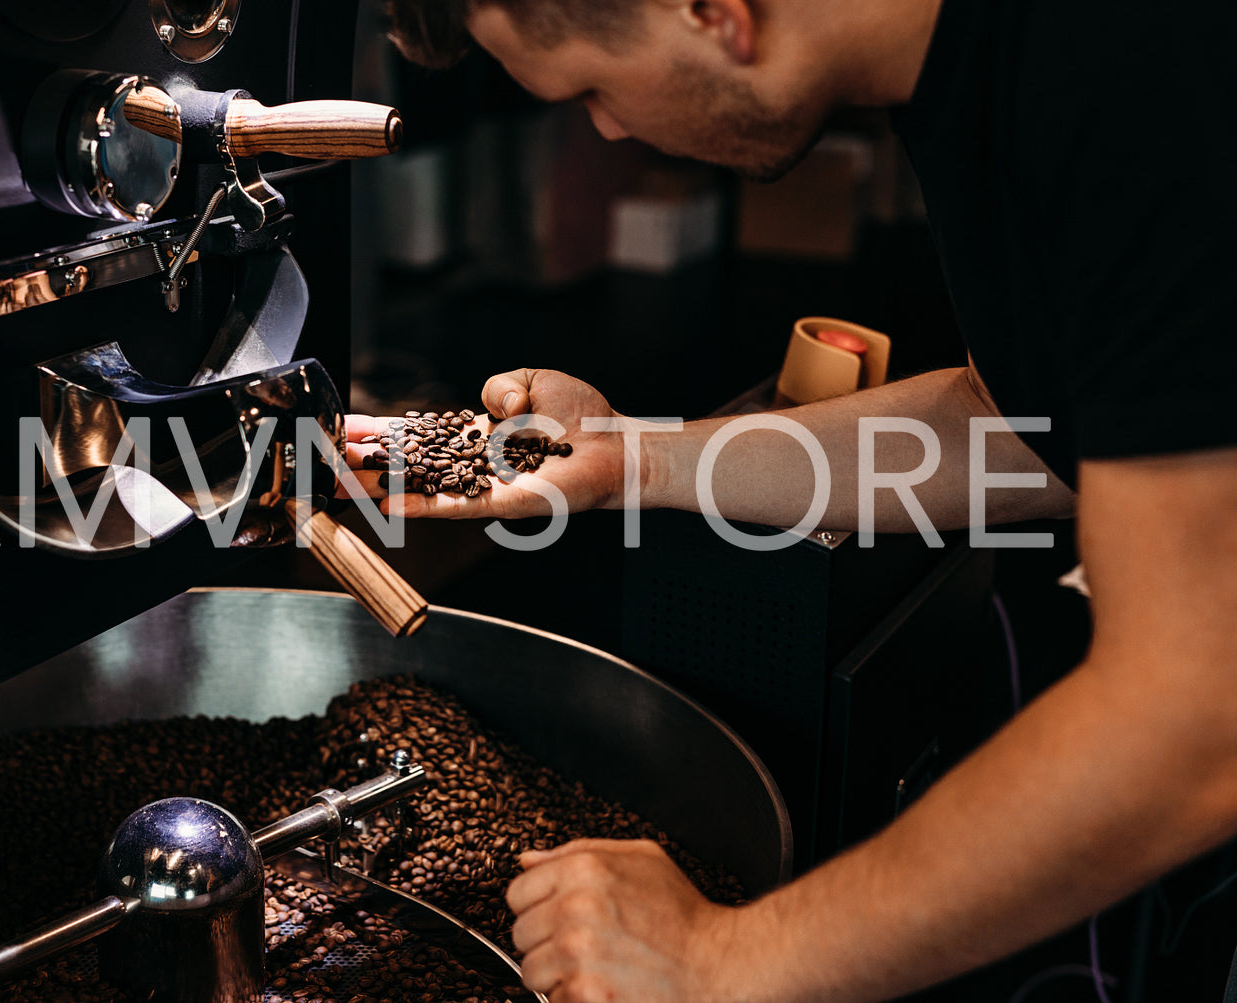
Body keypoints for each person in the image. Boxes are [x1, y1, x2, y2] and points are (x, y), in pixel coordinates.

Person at [343, 0, 1237, 1000]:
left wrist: (725, 960)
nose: (600, 127)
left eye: (591, 86)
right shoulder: (975, 72)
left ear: (711, 12)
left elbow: (1193, 715)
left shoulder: (1123, 54)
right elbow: (1020, 431)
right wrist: (632, 460)